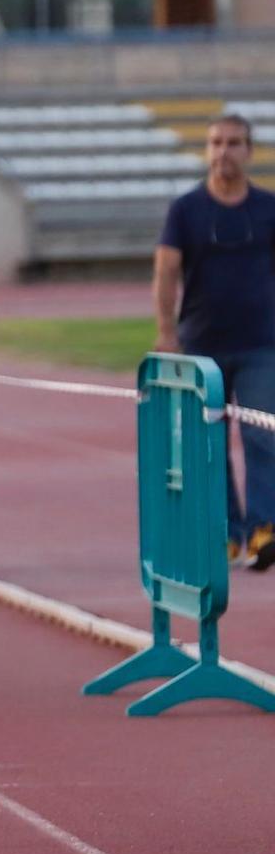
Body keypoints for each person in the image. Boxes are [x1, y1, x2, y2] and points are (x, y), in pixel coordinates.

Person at [154, 112, 275, 570]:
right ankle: (225, 532)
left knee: (263, 436)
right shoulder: (185, 210)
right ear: (207, 150)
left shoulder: (268, 207)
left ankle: (265, 529)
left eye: (234, 143)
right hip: (202, 346)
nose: (224, 151)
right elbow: (166, 270)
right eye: (217, 143)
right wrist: (167, 331)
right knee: (208, 443)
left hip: (261, 343)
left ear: (249, 151)